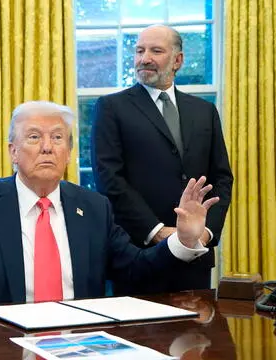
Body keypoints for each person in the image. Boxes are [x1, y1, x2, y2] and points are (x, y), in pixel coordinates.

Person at [0, 101, 218, 307]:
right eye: (34, 137)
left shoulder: (94, 207)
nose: (47, 147)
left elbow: (135, 272)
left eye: (58, 138)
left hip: (82, 345)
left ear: (68, 152)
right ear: (13, 152)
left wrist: (184, 242)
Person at [91, 25, 233, 294]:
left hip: (195, 255)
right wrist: (157, 231)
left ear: (177, 60)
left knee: (195, 336)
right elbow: (109, 179)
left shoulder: (204, 111)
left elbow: (221, 179)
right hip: (137, 255)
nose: (144, 58)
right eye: (139, 50)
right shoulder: (111, 108)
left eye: (156, 51)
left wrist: (204, 233)